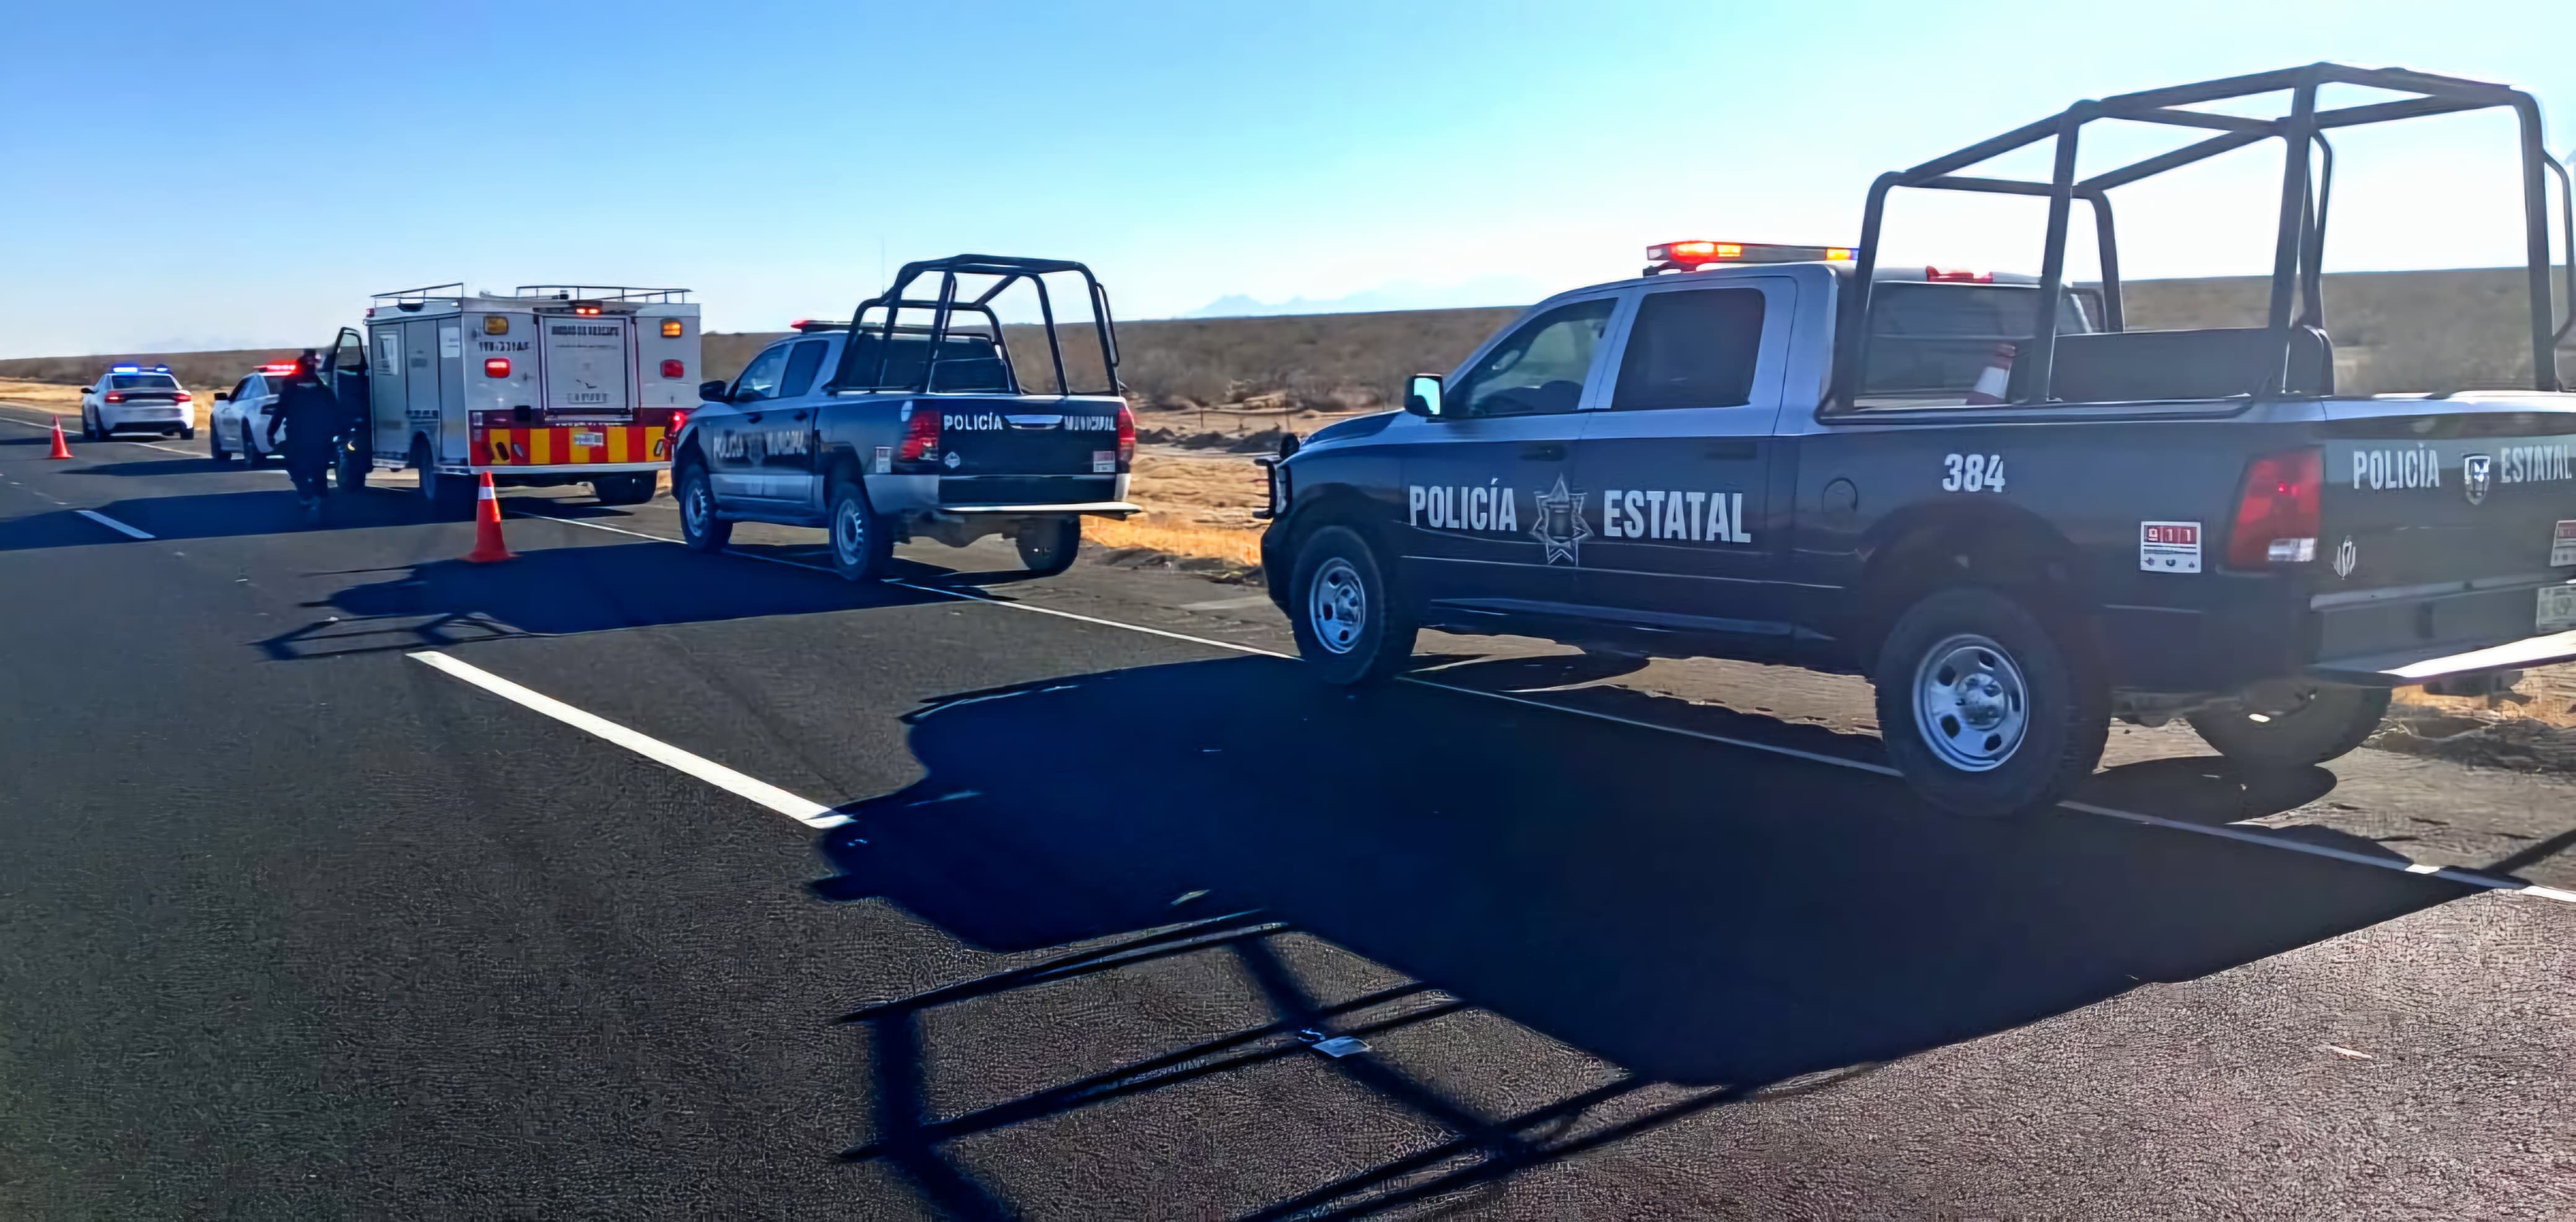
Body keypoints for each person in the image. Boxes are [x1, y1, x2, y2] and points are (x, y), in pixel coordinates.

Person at [265, 350, 342, 524]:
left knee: (295, 466)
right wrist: (340, 432)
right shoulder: (324, 391)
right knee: (319, 469)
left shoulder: (291, 391)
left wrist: (270, 433)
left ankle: (308, 496)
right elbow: (336, 413)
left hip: (298, 438)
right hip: (322, 438)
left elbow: (279, 413)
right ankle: (320, 498)